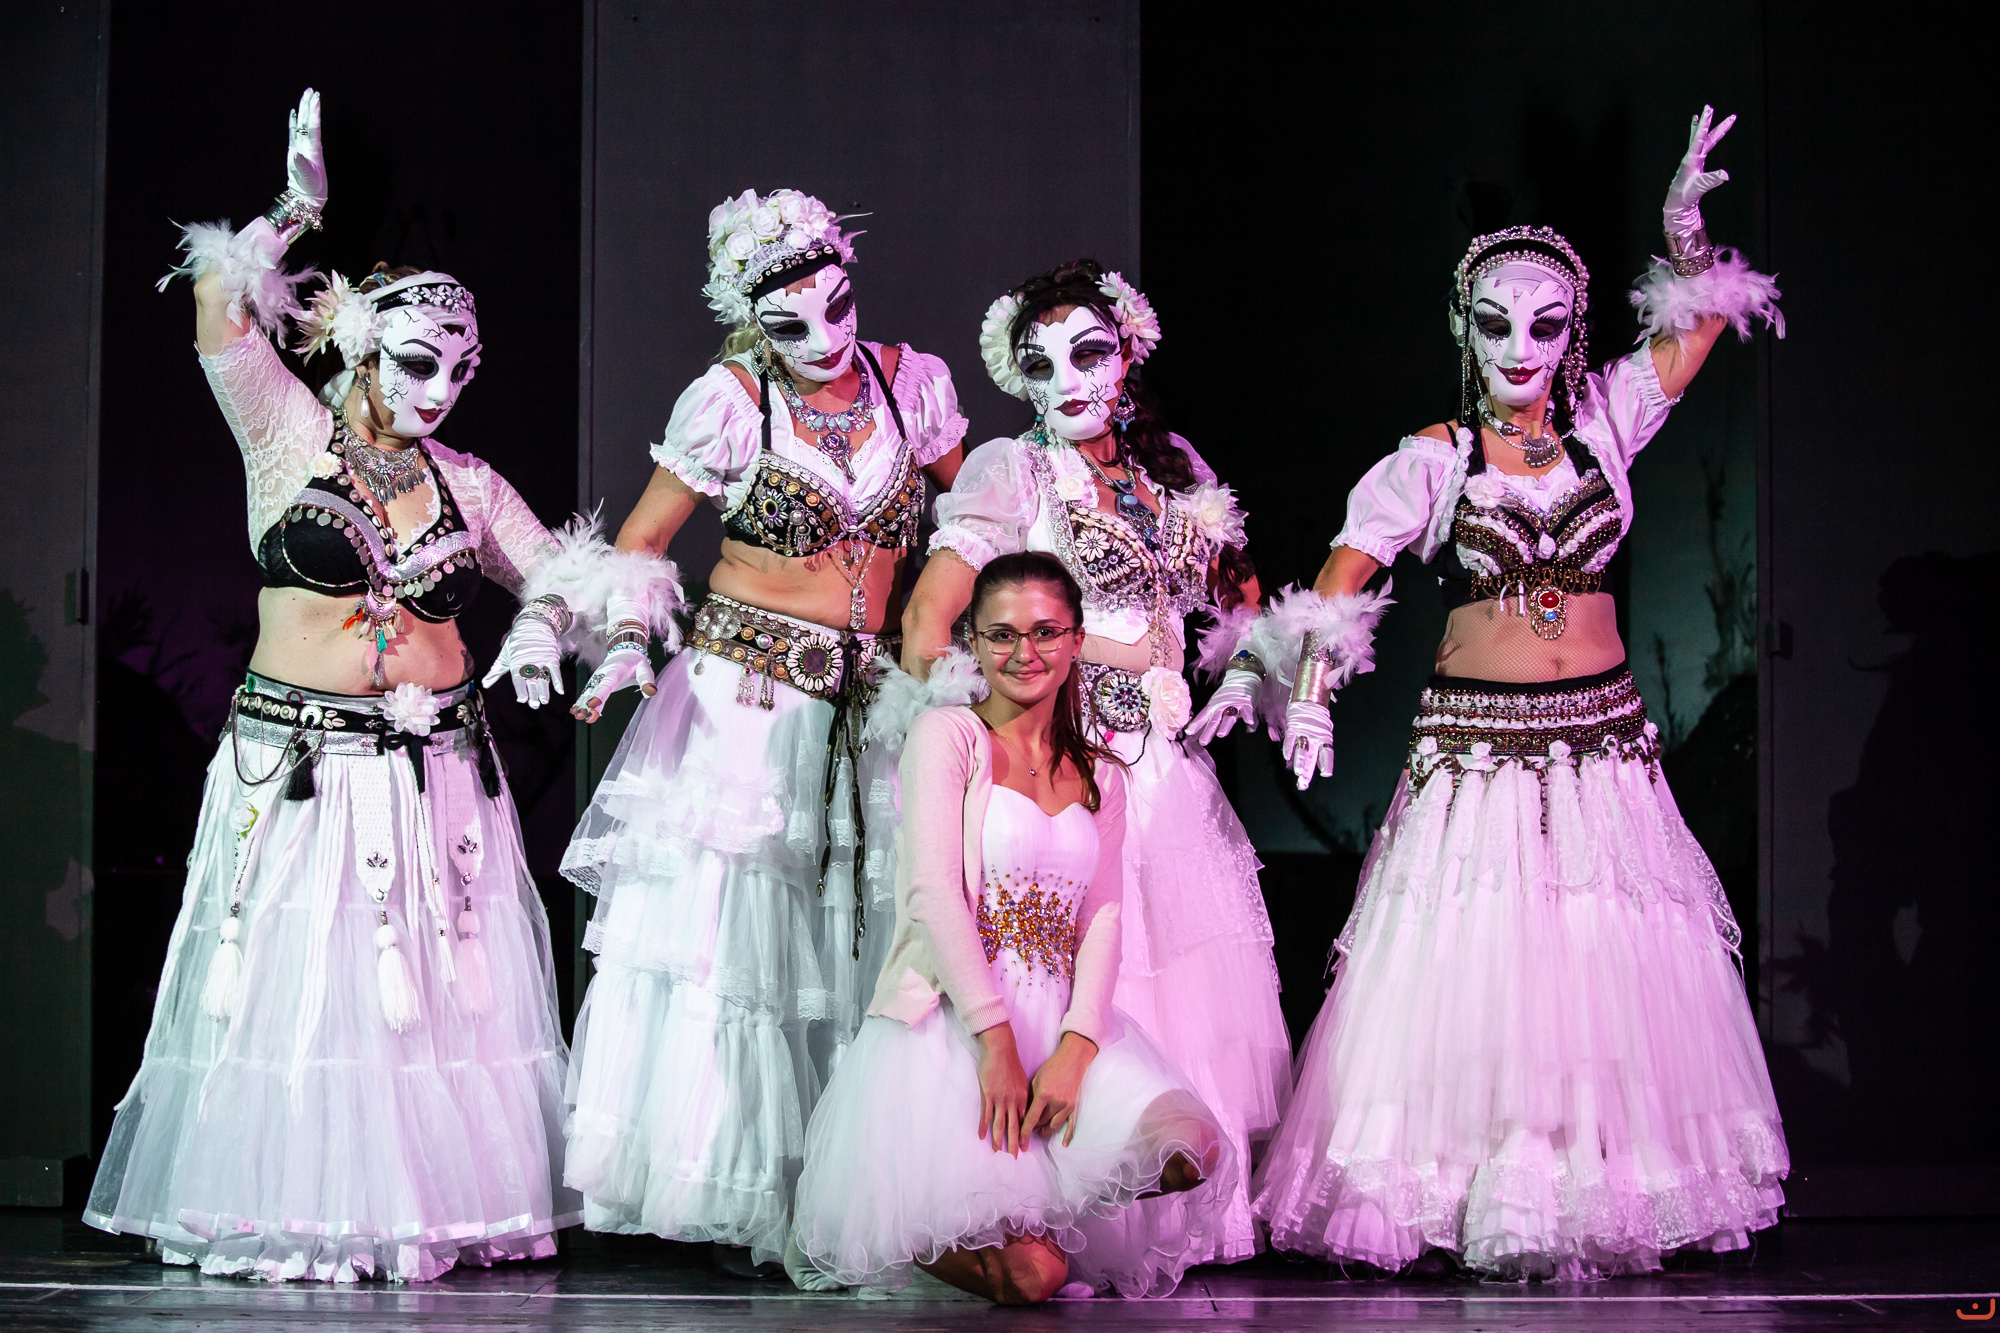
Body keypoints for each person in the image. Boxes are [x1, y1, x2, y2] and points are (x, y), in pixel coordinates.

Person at [1236, 107, 1790, 1279]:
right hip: (1475, 755)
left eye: (1544, 324)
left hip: (1599, 749)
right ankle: (1459, 1183)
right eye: (1494, 323)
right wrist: (1312, 687)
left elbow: (1697, 323)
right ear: (1462, 328)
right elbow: (1339, 578)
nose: (1519, 345)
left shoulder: (1604, 424)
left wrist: (1683, 235)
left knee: (1597, 964)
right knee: (1468, 963)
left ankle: (1592, 1180)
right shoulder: (1432, 457)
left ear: (1573, 331)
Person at [84, 90, 614, 1282]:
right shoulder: (285, 434)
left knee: (434, 997)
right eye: (419, 364)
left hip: (437, 775)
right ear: (363, 347)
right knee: (307, 988)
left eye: (461, 372)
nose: (440, 391)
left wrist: (543, 630)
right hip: (304, 769)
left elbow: (563, 575)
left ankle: (430, 1208)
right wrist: (291, 212)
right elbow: (218, 308)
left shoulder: (467, 482)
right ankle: (297, 1209)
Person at [556, 188, 970, 1280]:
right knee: (747, 952)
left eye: (838, 307)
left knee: (862, 939)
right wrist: (627, 637)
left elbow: (976, 513)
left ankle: (856, 1189)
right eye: (790, 323)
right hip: (747, 706)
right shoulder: (731, 402)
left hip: (872, 704)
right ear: (748, 317)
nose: (823, 338)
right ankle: (756, 1190)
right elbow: (642, 540)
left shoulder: (912, 385)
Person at [900, 260, 1289, 1265]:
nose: (1066, 381)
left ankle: (1167, 1224)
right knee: (1083, 977)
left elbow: (1245, 596)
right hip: (1066, 771)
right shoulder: (1012, 471)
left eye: (1087, 354)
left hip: (1166, 776)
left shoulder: (1171, 467)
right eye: (1040, 364)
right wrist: (981, 738)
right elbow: (930, 620)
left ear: (1127, 354)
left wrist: (1246, 671)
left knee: (1179, 981)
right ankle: (1067, 1212)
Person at [793, 552, 1232, 1302]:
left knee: (1189, 1151)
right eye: (1001, 634)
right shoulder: (948, 736)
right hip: (958, 1024)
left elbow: (1103, 915)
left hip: (1057, 1024)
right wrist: (995, 1043)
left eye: (1045, 632)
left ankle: (1044, 1195)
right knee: (1035, 1279)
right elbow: (933, 893)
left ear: (1076, 639)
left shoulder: (1101, 773)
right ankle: (901, 1225)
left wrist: (1077, 1048)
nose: (1024, 652)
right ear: (973, 641)